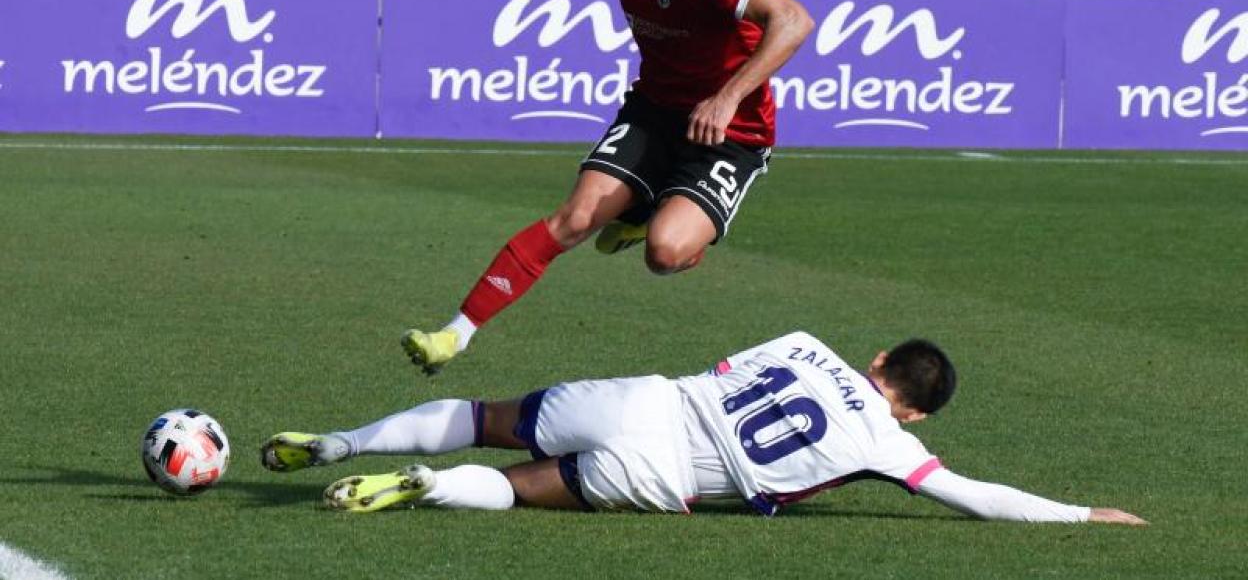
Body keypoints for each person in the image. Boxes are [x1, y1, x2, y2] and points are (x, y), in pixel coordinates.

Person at [401, 0, 815, 374]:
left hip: (731, 130)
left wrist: (727, 97)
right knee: (573, 218)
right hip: (657, 110)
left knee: (665, 252)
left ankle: (658, 219)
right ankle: (454, 335)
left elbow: (794, 19)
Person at [261, 330, 1146, 525]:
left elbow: (729, 375)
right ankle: (427, 492)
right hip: (670, 475)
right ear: (911, 407)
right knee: (530, 491)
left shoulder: (806, 341)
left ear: (878, 358)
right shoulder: (894, 445)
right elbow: (975, 498)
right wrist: (1083, 516)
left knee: (483, 417)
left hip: (654, 399)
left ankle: (345, 442)